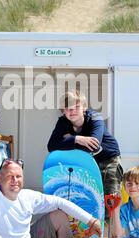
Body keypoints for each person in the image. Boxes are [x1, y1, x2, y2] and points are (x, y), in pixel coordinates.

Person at [47, 90, 123, 221]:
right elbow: (52, 146)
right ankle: (92, 236)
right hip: (86, 162)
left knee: (110, 199)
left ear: (84, 108)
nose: (72, 111)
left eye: (76, 107)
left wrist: (66, 141)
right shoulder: (63, 122)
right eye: (68, 108)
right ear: (63, 111)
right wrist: (77, 139)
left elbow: (94, 145)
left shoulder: (95, 118)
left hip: (108, 159)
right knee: (90, 200)